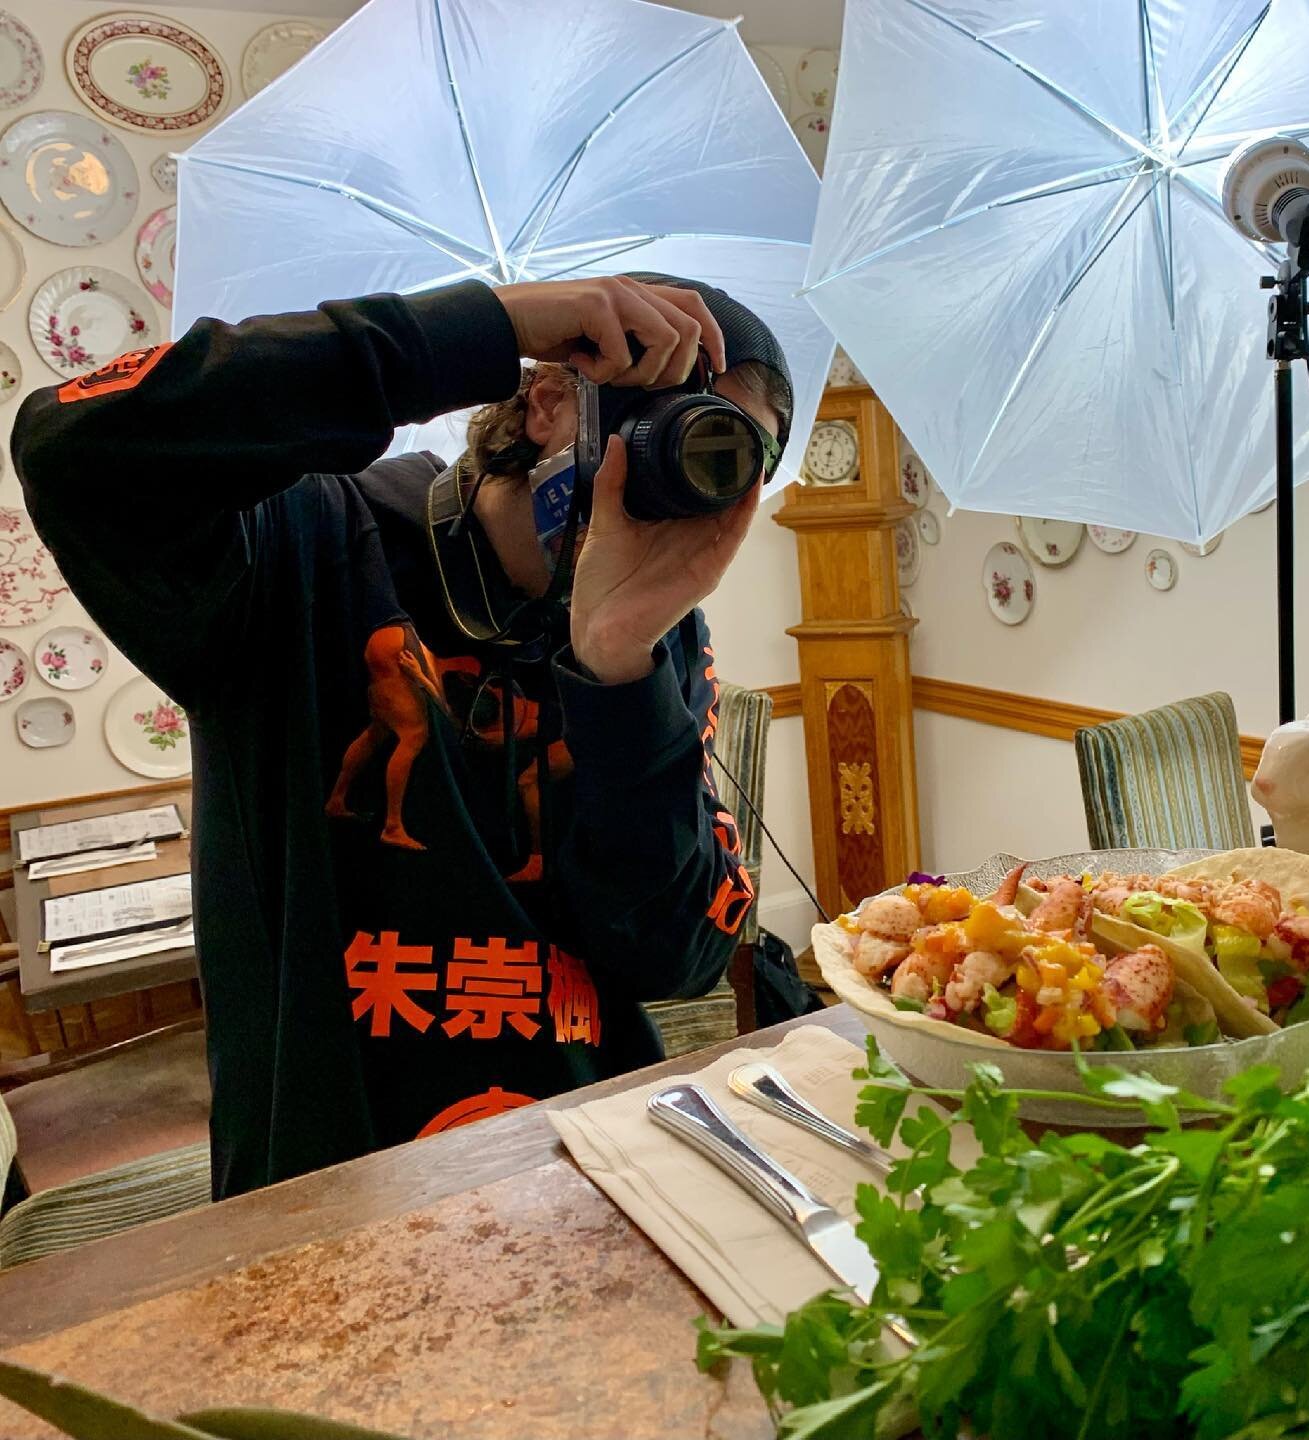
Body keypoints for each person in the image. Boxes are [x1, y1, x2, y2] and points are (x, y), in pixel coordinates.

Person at [11, 274, 792, 1199]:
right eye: (675, 419)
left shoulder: (660, 636)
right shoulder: (302, 545)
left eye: (728, 453)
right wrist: (487, 327)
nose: (684, 466)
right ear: (547, 402)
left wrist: (619, 664)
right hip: (330, 1181)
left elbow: (676, 956)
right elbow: (73, 445)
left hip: (586, 1168)